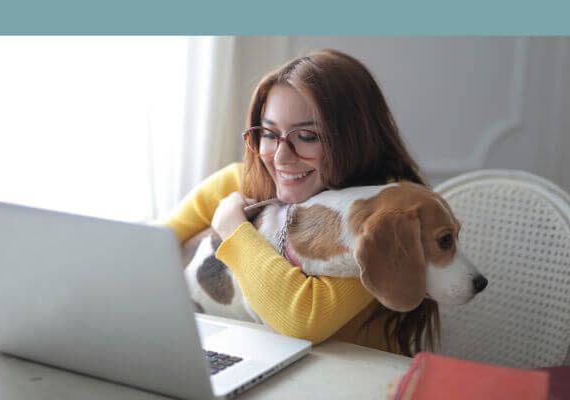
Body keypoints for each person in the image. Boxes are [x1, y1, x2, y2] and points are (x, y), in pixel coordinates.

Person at [164, 49, 438, 356]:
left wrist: (233, 228)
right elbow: (145, 249)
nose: (280, 157)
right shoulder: (238, 184)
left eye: (306, 136)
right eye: (269, 133)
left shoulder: (381, 222)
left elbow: (303, 320)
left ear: (355, 140)